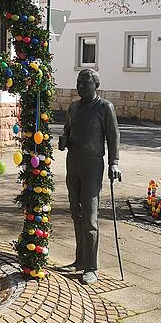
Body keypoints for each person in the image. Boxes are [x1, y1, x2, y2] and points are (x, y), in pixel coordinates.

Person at [58, 69, 121, 285]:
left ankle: (91, 266)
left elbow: (113, 137)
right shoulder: (73, 107)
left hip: (93, 166)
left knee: (90, 218)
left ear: (96, 85)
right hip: (73, 164)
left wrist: (114, 163)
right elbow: (67, 130)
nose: (80, 86)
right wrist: (63, 139)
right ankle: (80, 258)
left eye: (85, 83)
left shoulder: (105, 107)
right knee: (76, 213)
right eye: (78, 82)